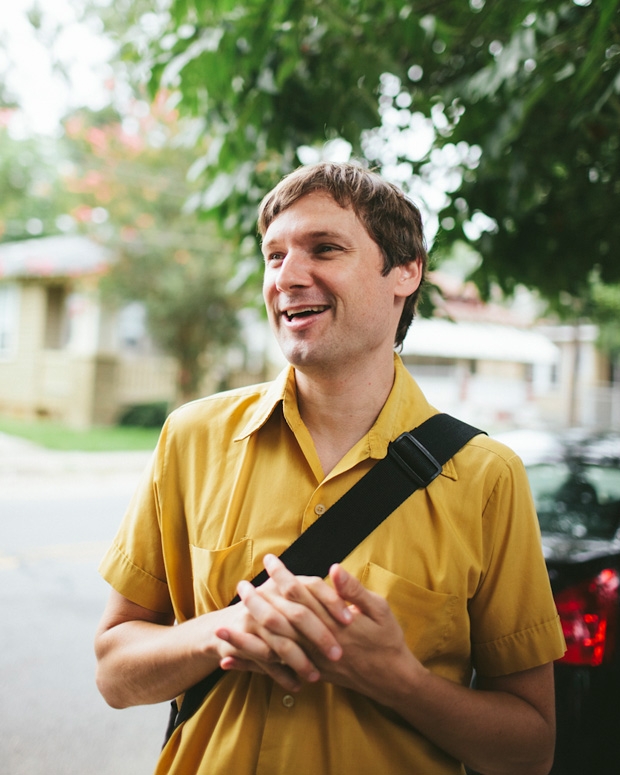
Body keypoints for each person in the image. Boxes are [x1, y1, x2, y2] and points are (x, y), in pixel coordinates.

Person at [95, 162, 566, 775]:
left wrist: (397, 678)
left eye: (324, 248)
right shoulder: (191, 437)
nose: (287, 276)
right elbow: (114, 674)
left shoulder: (487, 478)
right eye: (273, 256)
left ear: (406, 272)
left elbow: (531, 751)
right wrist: (227, 630)